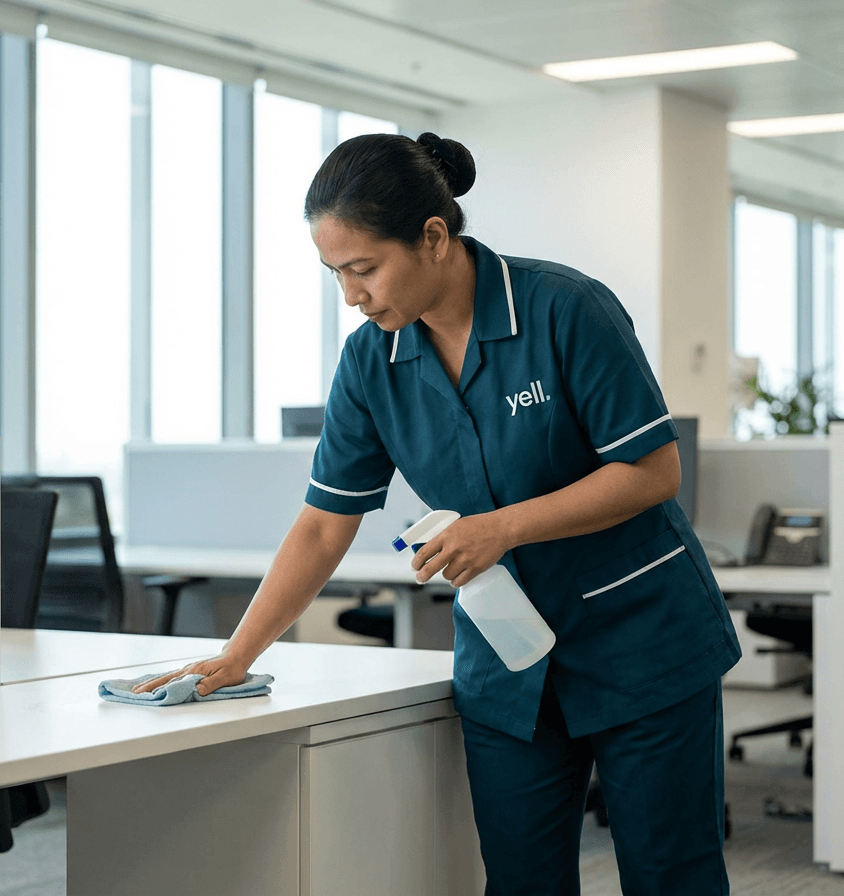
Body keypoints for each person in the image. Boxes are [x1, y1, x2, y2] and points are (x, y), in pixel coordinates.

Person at [137, 132, 741, 895]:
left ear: (432, 237)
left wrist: (502, 527)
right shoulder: (371, 361)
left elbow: (653, 471)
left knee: (669, 876)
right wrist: (238, 655)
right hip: (509, 660)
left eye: (363, 269)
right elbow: (326, 521)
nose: (352, 296)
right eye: (336, 275)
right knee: (521, 881)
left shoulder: (564, 309)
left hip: (642, 641)